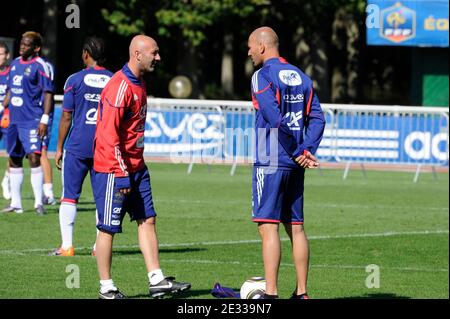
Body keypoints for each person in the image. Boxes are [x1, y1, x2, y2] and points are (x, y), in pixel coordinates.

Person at [93, 35, 191, 299]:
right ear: (138, 54)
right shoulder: (120, 86)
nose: (158, 58)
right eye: (154, 53)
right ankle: (106, 287)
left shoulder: (140, 83)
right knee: (107, 228)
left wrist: (135, 168)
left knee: (147, 219)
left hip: (137, 167)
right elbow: (107, 135)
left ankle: (156, 279)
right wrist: (121, 172)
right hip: (114, 169)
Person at [247, 26, 325, 299]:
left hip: (270, 158)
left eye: (250, 47)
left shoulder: (262, 76)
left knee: (267, 226)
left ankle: (270, 293)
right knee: (296, 227)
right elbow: (318, 119)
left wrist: (295, 152)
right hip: (295, 163)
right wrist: (306, 150)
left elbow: (272, 117)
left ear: (262, 46)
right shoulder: (302, 77)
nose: (248, 52)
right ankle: (302, 293)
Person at [49, 36, 113, 257]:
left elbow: (67, 116)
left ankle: (67, 246)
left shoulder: (74, 80)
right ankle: (98, 248)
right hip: (104, 149)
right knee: (101, 199)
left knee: (69, 196)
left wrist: (58, 148)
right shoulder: (115, 80)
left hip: (77, 147)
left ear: (86, 53)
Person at [1, 31, 54, 215]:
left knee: (34, 157)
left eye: (26, 44)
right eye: (21, 43)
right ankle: (16, 204)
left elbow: (48, 93)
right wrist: (2, 107)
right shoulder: (14, 63)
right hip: (14, 120)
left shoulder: (41, 66)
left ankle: (39, 202)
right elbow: (10, 91)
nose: (22, 47)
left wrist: (44, 119)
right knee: (14, 159)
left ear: (36, 48)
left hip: (32, 120)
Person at [40, 57, 57, 206]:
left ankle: (48, 193)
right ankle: (8, 179)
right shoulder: (17, 64)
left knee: (42, 151)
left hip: (41, 115)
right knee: (17, 151)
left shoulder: (46, 66)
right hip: (24, 115)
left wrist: (45, 117)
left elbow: (48, 91)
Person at [0, 41, 11, 201]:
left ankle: (7, 180)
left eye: (1, 54)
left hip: (8, 116)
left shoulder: (12, 72)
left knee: (13, 153)